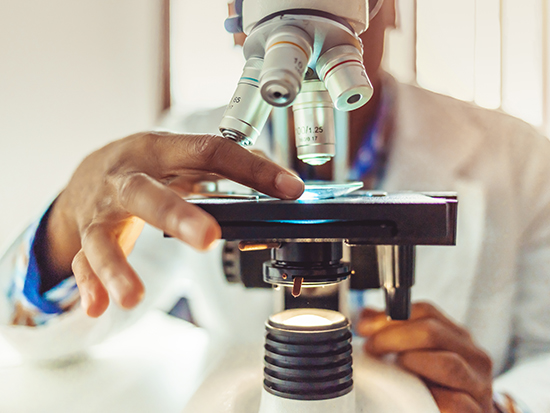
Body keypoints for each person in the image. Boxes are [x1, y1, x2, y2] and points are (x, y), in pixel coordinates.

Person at [1, 1, 549, 412]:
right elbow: (42, 342)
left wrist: (500, 404)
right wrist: (68, 224)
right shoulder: (182, 149)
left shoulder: (520, 158)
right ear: (240, 18)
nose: (308, 51)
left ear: (390, 7)